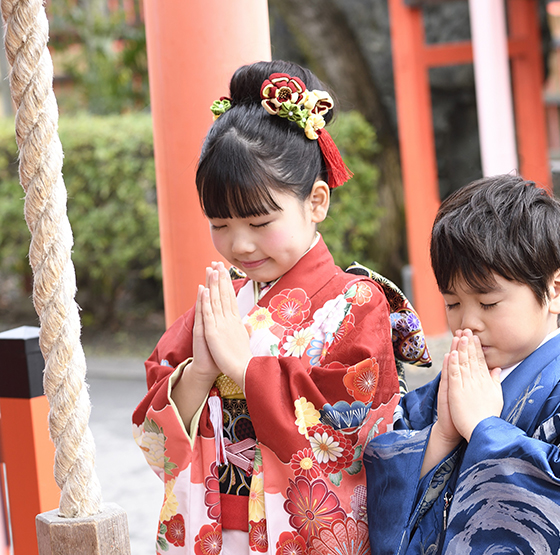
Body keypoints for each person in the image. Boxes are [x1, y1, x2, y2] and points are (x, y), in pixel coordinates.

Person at [133, 60, 406, 554]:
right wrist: (199, 372)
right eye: (220, 224)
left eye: (259, 223)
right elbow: (156, 437)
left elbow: (349, 439)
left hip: (295, 532)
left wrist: (242, 367)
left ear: (316, 201)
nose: (239, 245)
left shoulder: (355, 305)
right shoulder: (222, 302)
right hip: (210, 528)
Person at [365, 175, 560, 555]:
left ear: (556, 290)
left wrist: (483, 428)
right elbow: (378, 491)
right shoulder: (443, 394)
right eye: (452, 304)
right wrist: (442, 437)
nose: (468, 322)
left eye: (488, 303)